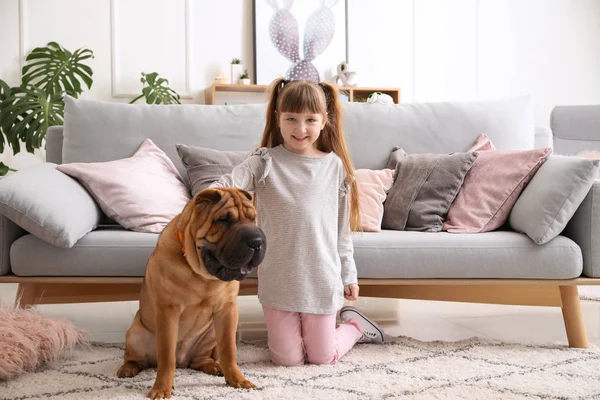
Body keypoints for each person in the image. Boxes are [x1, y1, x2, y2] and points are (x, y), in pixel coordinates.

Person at [210, 77, 384, 367]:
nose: (300, 129)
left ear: (323, 121)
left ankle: (353, 327)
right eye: (291, 118)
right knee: (286, 360)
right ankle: (306, 337)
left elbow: (341, 231)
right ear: (278, 118)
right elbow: (229, 184)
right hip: (279, 280)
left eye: (310, 120)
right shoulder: (263, 162)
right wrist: (205, 198)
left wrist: (349, 274)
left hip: (321, 278)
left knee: (322, 357)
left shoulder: (334, 167)